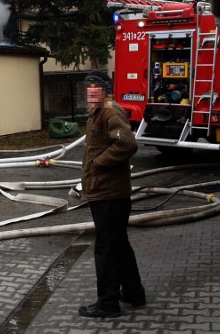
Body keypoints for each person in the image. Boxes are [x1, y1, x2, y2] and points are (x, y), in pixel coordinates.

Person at [78, 70, 145, 318]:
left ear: (105, 89)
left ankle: (108, 303)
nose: (91, 91)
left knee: (106, 248)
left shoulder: (109, 110)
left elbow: (127, 144)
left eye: (96, 87)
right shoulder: (98, 112)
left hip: (109, 194)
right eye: (88, 88)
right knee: (119, 245)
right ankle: (134, 293)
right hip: (105, 193)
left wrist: (97, 164)